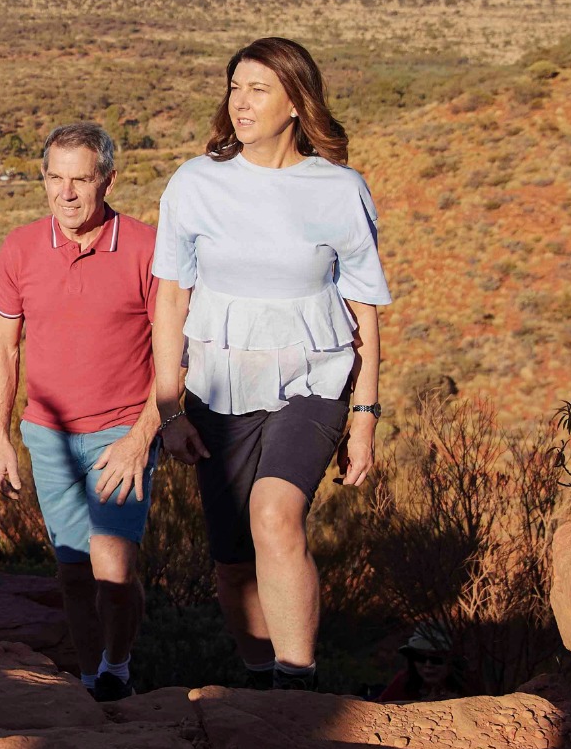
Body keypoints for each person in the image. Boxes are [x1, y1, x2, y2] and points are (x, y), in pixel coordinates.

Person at [149, 37, 391, 692]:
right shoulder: (195, 182)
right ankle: (257, 681)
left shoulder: (339, 190)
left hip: (311, 379)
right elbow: (170, 298)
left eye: (258, 88)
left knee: (274, 516)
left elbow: (363, 307)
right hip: (215, 387)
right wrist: (167, 408)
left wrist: (364, 417)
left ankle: (297, 685)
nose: (241, 101)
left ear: (294, 103)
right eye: (234, 87)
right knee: (231, 563)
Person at [0, 121, 160, 701]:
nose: (66, 193)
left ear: (107, 180)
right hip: (48, 436)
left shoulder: (145, 246)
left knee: (113, 571)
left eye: (80, 179)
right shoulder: (20, 248)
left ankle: (118, 664)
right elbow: (2, 346)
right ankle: (94, 684)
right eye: (54, 178)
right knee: (72, 572)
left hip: (121, 434)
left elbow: (175, 352)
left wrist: (143, 438)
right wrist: (1, 439)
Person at [376, 626, 481, 702]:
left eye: (437, 659)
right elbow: (380, 706)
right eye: (420, 658)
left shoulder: (470, 685)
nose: (428, 665)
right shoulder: (404, 681)